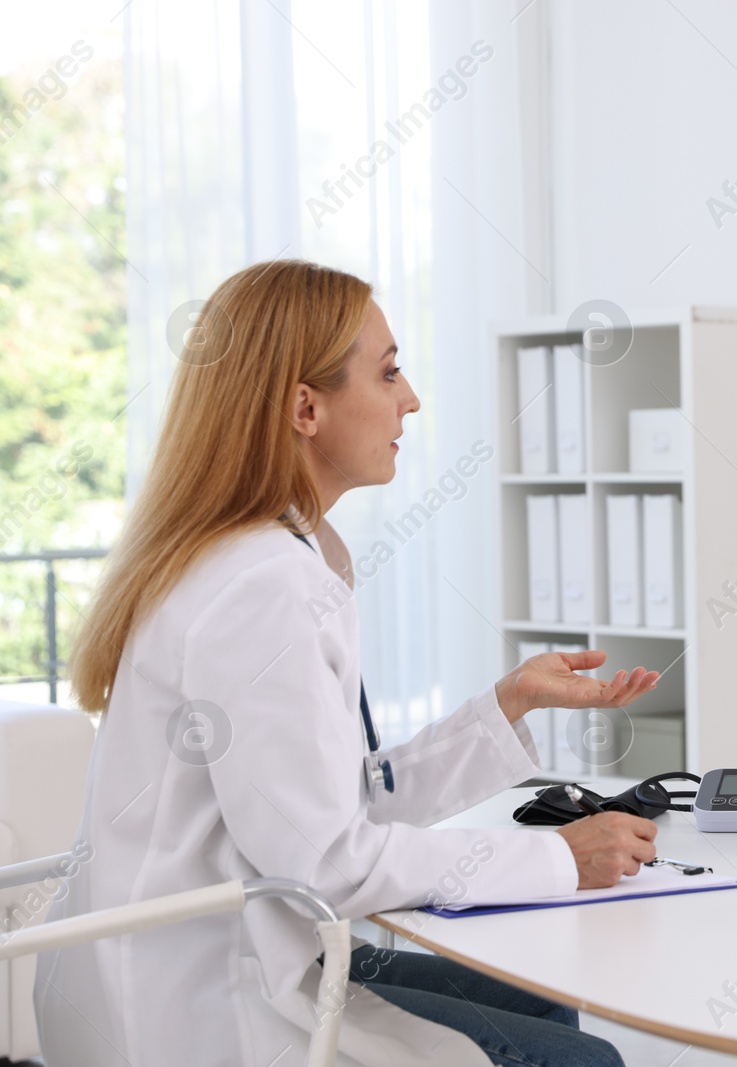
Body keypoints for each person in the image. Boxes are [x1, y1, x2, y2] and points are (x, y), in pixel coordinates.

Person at [43, 260, 660, 1066]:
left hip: (210, 953)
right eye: (390, 371)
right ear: (306, 406)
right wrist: (559, 858)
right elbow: (328, 861)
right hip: (198, 1010)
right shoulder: (263, 585)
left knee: (535, 996)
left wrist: (501, 708)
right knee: (581, 1060)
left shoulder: (256, 557)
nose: (411, 399)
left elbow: (327, 809)